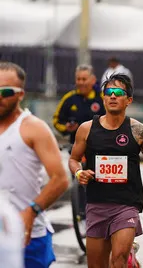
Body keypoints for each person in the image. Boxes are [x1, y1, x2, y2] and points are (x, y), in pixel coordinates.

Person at [69, 73, 143, 268]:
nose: (113, 96)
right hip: (96, 204)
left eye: (118, 92)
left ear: (129, 100)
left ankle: (127, 255)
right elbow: (74, 159)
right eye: (108, 92)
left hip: (126, 205)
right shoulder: (86, 129)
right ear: (103, 97)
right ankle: (131, 258)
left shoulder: (139, 130)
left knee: (118, 260)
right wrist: (78, 173)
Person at [0, 61, 69, 268]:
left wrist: (32, 211)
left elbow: (60, 179)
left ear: (21, 94)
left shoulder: (34, 128)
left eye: (6, 91)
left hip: (28, 235)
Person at [53, 64, 106, 145]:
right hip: (75, 147)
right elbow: (56, 120)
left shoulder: (103, 98)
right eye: (78, 79)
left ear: (93, 80)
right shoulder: (69, 98)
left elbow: (113, 120)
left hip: (100, 147)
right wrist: (66, 127)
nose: (81, 82)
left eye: (84, 79)